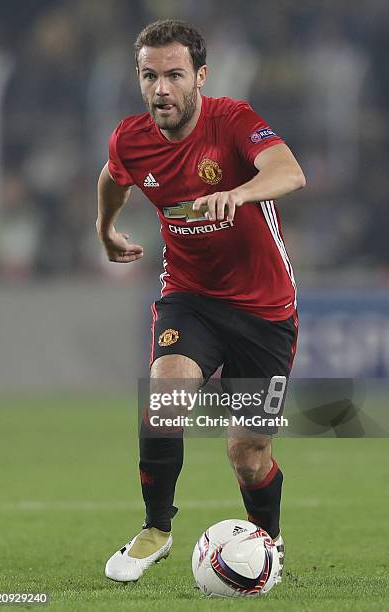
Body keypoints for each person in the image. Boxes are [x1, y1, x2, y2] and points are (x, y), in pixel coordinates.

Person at [96, 19, 305, 584]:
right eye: (149, 76)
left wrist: (236, 193)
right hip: (188, 297)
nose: (160, 88)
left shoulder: (233, 121)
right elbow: (114, 176)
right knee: (165, 394)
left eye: (173, 75)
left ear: (200, 77)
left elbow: (290, 171)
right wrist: (105, 228)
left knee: (248, 453)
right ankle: (156, 528)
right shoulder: (131, 138)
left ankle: (269, 539)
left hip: (264, 310)